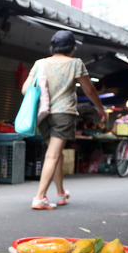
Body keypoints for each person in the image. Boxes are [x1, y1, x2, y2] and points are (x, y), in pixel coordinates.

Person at [23, 30, 106, 210]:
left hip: (43, 114)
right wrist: (100, 108)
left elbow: (25, 89)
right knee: (53, 155)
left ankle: (61, 193)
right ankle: (39, 197)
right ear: (72, 48)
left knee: (56, 154)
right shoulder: (75, 64)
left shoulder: (40, 63)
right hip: (63, 114)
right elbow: (89, 90)